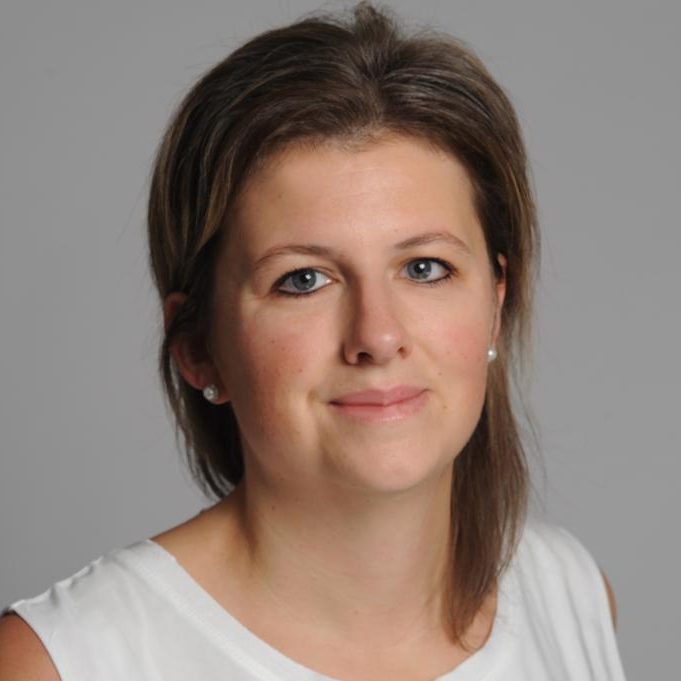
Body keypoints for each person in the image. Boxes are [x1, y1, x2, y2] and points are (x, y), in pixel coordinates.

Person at [0, 2, 626, 679]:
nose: (377, 336)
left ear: (496, 304)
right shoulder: (60, 662)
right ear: (198, 347)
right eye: (303, 280)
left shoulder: (571, 597)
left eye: (424, 268)